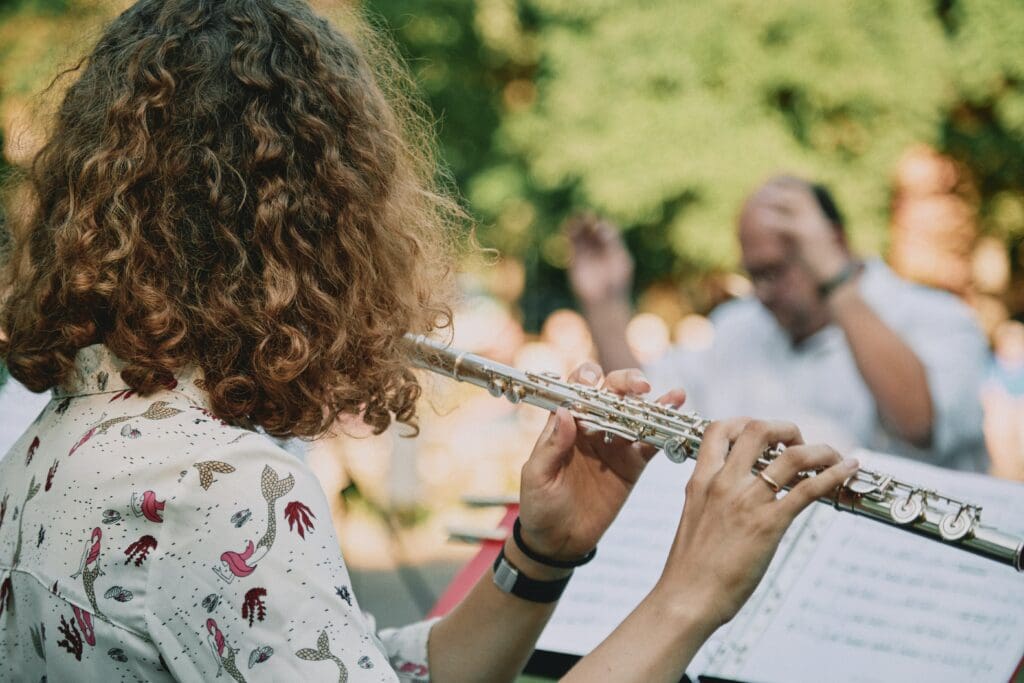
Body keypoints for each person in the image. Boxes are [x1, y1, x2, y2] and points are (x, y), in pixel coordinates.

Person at [0, 3, 856, 682]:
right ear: (314, 225)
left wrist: (542, 552)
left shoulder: (59, 437)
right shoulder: (217, 488)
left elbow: (347, 661)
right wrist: (689, 595)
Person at [568, 175, 989, 472]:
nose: (763, 291)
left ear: (834, 243)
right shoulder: (738, 326)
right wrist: (604, 305)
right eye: (755, 274)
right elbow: (648, 411)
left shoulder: (937, 317)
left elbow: (921, 426)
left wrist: (834, 278)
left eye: (777, 270)